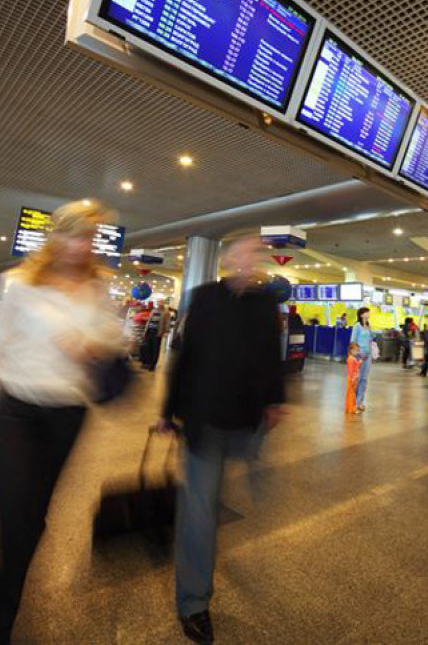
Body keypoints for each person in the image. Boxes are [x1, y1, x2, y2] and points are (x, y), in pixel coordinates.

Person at [0, 199, 125, 645]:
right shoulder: (21, 283)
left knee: (32, 522)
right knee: (15, 515)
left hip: (67, 415)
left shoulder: (98, 288)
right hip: (16, 407)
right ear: (56, 237)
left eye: (88, 237)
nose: (80, 246)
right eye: (73, 235)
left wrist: (90, 344)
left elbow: (114, 340)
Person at [159, 237, 285, 645]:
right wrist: (166, 411)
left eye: (254, 258)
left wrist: (275, 401)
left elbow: (272, 356)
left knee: (227, 499)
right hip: (204, 420)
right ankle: (194, 603)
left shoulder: (264, 303)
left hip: (246, 421)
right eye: (241, 257)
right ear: (227, 261)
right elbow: (184, 355)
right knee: (199, 513)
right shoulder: (204, 298)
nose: (248, 264)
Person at [350, 307, 373, 411]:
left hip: (368, 356)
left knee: (364, 379)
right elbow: (353, 341)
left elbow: (370, 340)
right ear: (361, 314)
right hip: (359, 356)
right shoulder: (357, 326)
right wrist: (357, 354)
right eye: (366, 312)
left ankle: (360, 401)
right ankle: (353, 401)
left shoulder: (368, 326)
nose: (368, 314)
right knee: (357, 379)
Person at [142, 300, 170, 371]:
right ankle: (148, 363)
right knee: (148, 347)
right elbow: (149, 320)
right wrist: (145, 330)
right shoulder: (153, 310)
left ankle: (152, 365)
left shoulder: (166, 312)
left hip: (157, 332)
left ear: (163, 303)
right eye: (158, 302)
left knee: (155, 348)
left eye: (161, 302)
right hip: (150, 330)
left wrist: (166, 331)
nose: (159, 304)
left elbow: (167, 322)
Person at [346, 342, 362, 414]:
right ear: (351, 350)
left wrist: (359, 363)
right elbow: (350, 370)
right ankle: (352, 409)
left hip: (353, 379)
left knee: (351, 393)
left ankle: (350, 408)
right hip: (352, 379)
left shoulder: (352, 358)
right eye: (356, 350)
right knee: (352, 394)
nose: (357, 352)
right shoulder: (351, 359)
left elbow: (355, 367)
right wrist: (352, 379)